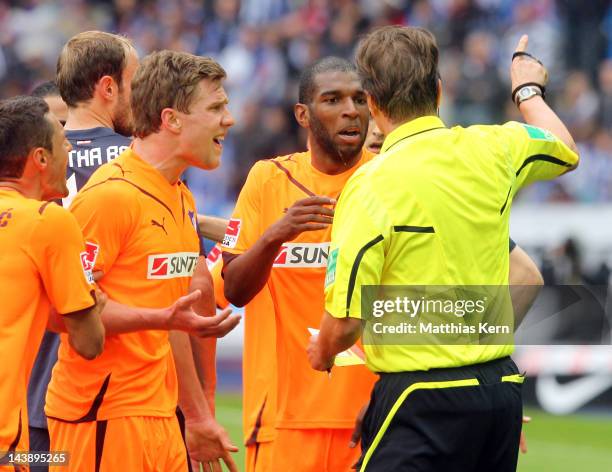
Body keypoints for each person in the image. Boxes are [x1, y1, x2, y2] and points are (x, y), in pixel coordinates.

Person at [308, 27, 578, 472]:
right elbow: (565, 148)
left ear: (372, 102)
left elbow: (345, 321)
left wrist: (322, 354)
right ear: (438, 90)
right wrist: (526, 88)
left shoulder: (371, 184)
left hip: (422, 398)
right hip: (500, 391)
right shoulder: (492, 148)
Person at [45, 50, 240, 472]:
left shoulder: (179, 193)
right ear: (172, 120)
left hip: (159, 414)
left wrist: (199, 414)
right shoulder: (111, 195)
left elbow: (177, 312)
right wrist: (161, 317)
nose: (230, 119)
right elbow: (64, 313)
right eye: (216, 107)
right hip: (102, 416)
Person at [222, 57, 378, 472]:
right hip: (280, 420)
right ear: (303, 115)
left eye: (359, 99)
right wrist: (276, 234)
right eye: (333, 99)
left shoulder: (388, 180)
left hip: (371, 415)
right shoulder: (267, 180)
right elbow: (234, 289)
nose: (351, 110)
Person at [0, 96, 105, 468]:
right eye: (64, 143)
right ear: (40, 159)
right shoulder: (50, 221)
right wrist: (94, 295)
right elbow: (90, 342)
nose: (71, 151)